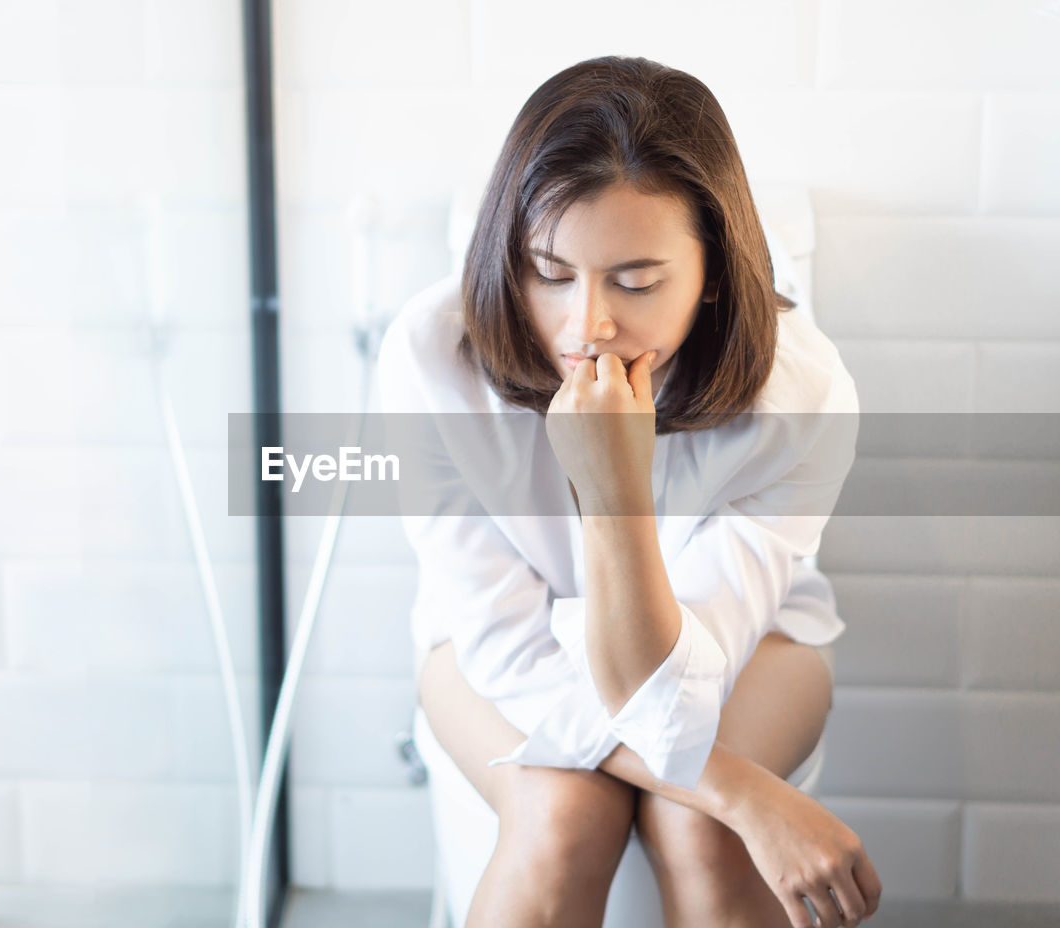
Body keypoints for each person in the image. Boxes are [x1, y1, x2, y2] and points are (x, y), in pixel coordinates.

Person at [376, 55, 882, 928]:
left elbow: (677, 689)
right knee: (561, 820)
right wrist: (745, 795)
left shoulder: (802, 391)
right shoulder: (432, 355)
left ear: (717, 271)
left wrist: (615, 487)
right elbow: (505, 652)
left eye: (637, 282)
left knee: (699, 836)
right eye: (550, 272)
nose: (586, 327)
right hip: (500, 651)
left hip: (746, 649)